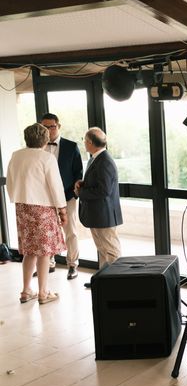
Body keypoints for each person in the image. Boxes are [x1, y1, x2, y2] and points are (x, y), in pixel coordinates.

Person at [6, 123, 67, 305]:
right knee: (44, 252)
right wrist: (62, 209)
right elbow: (55, 186)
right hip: (42, 208)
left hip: (22, 207)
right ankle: (43, 292)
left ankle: (26, 291)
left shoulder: (16, 155)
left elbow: (10, 182)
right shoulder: (46, 158)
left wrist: (18, 198)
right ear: (46, 139)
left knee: (29, 250)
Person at [74, 127, 122, 287]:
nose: (84, 144)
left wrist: (81, 192)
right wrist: (84, 184)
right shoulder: (96, 158)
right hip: (97, 214)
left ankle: (116, 283)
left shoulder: (105, 161)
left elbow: (104, 191)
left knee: (111, 250)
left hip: (104, 214)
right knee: (102, 250)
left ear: (89, 142)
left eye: (85, 141)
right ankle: (103, 282)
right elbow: (98, 183)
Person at [40, 113, 83, 280]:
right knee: (48, 232)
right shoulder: (38, 147)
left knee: (70, 232)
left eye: (51, 126)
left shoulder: (71, 146)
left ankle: (72, 265)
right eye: (44, 126)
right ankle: (49, 263)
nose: (48, 130)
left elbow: (78, 173)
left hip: (67, 196)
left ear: (58, 126)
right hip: (44, 198)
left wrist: (71, 194)